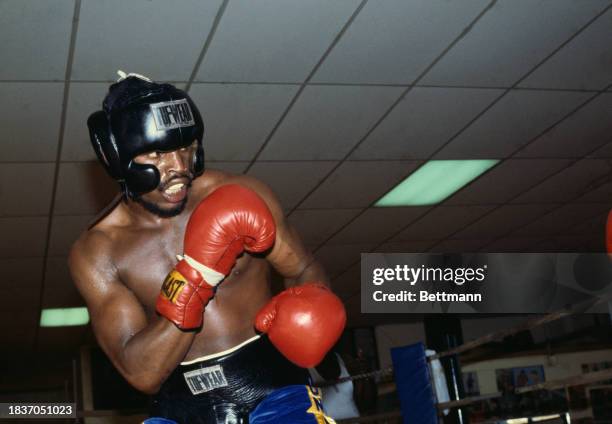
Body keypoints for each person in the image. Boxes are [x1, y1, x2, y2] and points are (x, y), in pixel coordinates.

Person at [69, 72, 346, 424]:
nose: (180, 168)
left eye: (186, 149)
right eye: (158, 153)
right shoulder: (97, 251)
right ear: (117, 156)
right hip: (177, 411)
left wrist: (314, 309)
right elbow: (141, 374)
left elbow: (303, 268)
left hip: (276, 393)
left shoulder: (243, 194)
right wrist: (196, 276)